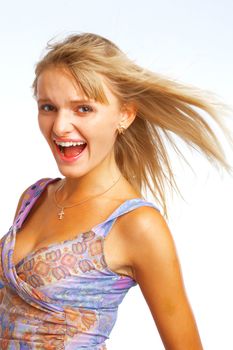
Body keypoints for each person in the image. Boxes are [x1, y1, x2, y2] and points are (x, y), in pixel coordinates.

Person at [0, 32, 232, 350]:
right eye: (48, 107)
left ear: (124, 114)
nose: (59, 127)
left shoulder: (137, 225)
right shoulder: (34, 197)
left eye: (83, 109)